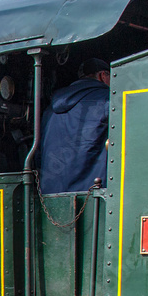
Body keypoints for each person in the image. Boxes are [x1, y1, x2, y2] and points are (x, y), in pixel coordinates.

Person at [38, 58, 111, 194]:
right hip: (93, 196)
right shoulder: (107, 100)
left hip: (51, 194)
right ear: (102, 76)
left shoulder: (50, 110)